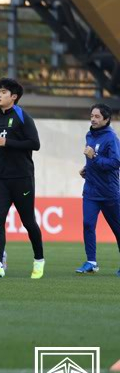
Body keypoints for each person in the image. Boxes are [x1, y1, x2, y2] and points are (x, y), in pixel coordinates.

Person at [0, 78, 44, 279]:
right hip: (1, 178)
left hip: (22, 177)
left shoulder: (23, 117)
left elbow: (34, 144)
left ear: (14, 96)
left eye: (3, 92)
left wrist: (8, 142)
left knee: (28, 221)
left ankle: (39, 260)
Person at [78, 103, 120, 274]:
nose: (93, 119)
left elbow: (115, 163)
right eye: (92, 116)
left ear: (106, 119)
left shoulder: (111, 138)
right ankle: (91, 262)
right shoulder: (89, 135)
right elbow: (93, 160)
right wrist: (87, 169)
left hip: (109, 192)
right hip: (91, 190)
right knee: (88, 224)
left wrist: (94, 157)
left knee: (117, 229)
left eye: (97, 117)